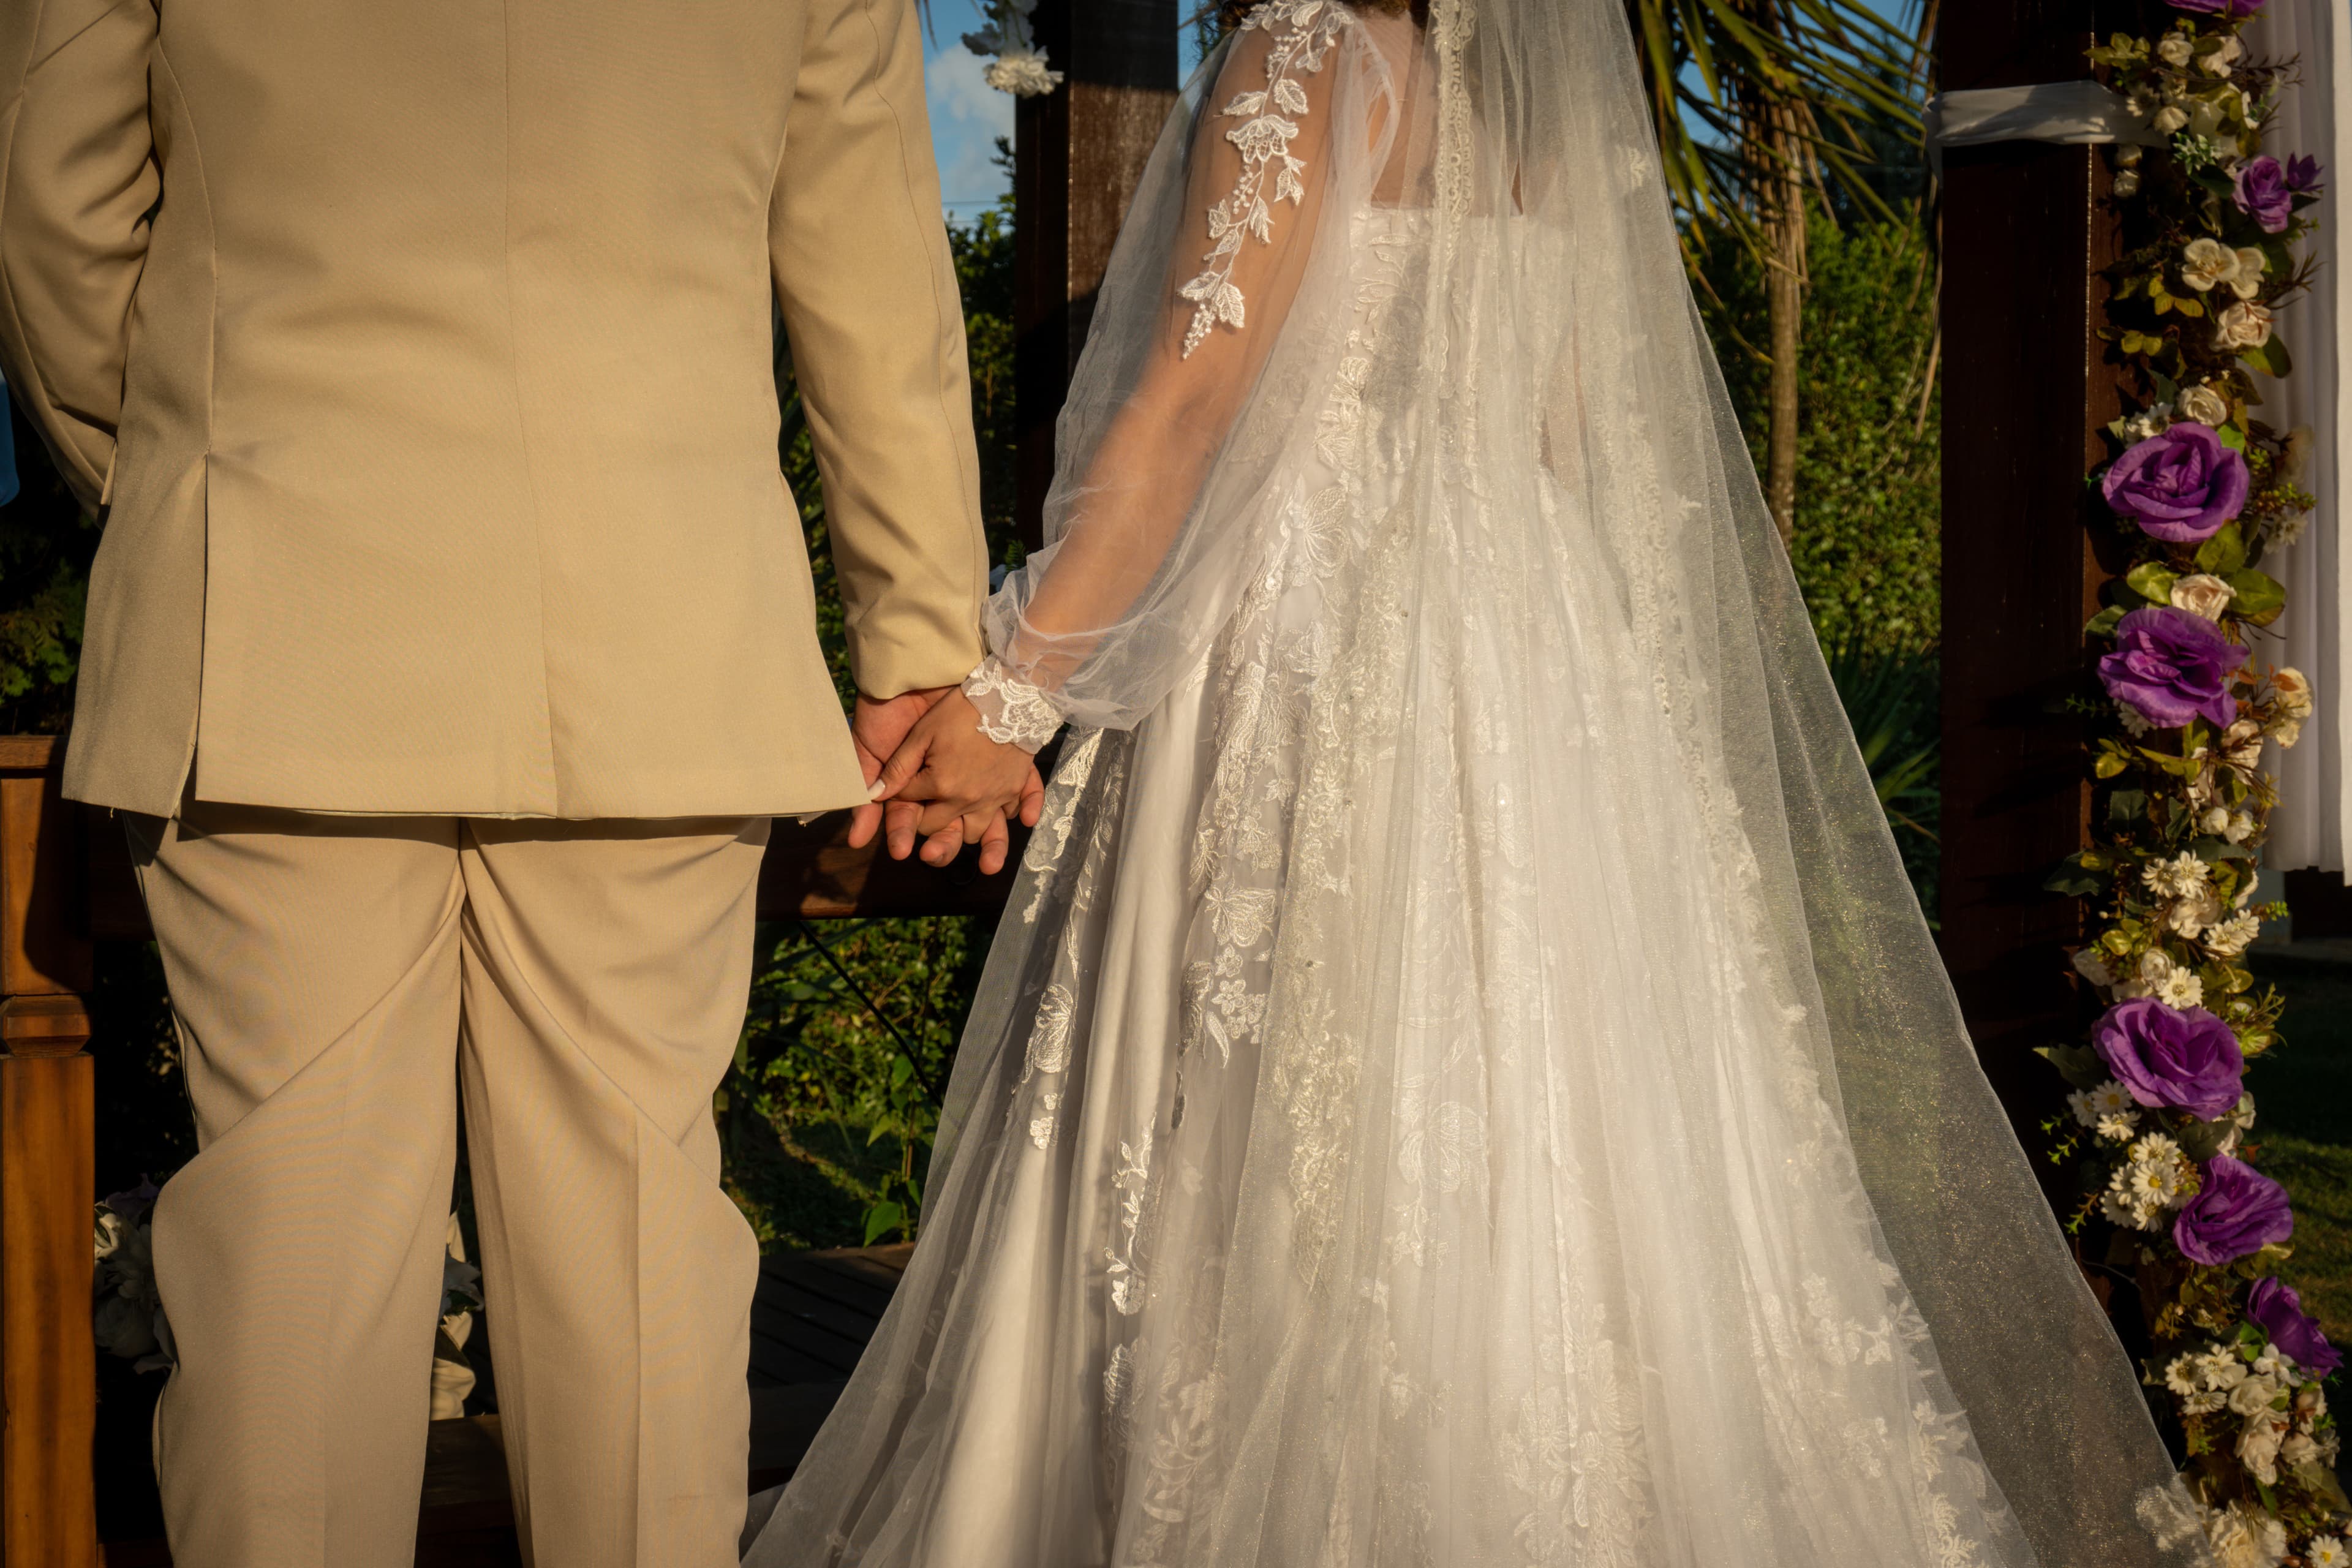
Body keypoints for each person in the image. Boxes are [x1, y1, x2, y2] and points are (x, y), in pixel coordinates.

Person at [769, 1, 2222, 1564]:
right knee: (1552, 1095)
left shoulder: (1302, 55)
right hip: (1538, 633)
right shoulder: (1556, 117)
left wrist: (1009, 693)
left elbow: (1185, 408)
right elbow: (1572, 431)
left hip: (1311, 629)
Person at [0, 1, 1032, 1564]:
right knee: (638, 1273)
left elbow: (59, 214)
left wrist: (192, 480)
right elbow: (876, 288)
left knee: (287, 1278)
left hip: (276, 609)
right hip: (655, 627)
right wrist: (917, 638)